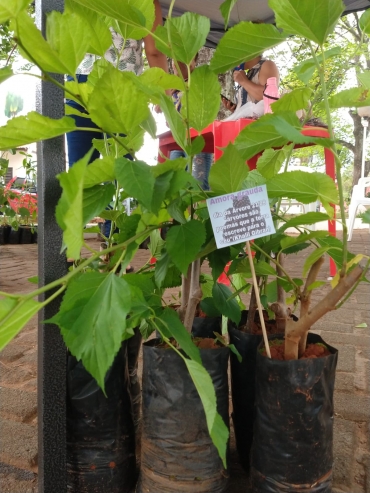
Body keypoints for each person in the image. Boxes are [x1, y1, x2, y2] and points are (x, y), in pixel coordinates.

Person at [65, 0, 168, 246]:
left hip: (81, 79)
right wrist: (161, 92)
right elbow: (154, 51)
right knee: (122, 167)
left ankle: (71, 247)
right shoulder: (148, 2)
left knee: (81, 165)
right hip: (124, 85)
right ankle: (115, 244)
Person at [169, 56, 213, 191]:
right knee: (174, 183)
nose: (177, 63)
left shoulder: (200, 82)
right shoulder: (172, 88)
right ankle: (186, 212)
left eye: (183, 60)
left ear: (194, 62)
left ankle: (199, 211)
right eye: (173, 60)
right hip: (177, 141)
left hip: (197, 138)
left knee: (197, 186)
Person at [221, 54, 279, 121]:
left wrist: (244, 81)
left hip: (256, 127)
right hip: (242, 126)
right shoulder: (248, 74)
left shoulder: (267, 65)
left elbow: (269, 97)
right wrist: (236, 109)